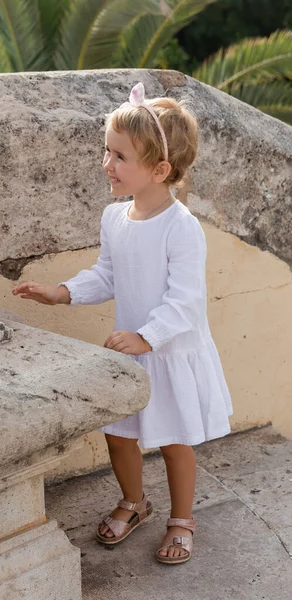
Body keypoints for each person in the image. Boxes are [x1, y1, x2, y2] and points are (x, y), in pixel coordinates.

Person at [13, 82, 232, 565]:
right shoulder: (115, 218)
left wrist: (146, 336)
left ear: (159, 169)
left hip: (167, 351)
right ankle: (135, 502)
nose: (106, 164)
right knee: (119, 433)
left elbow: (186, 300)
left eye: (119, 156)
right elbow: (107, 274)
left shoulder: (181, 227)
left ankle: (181, 519)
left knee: (175, 442)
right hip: (129, 353)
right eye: (106, 151)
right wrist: (63, 292)